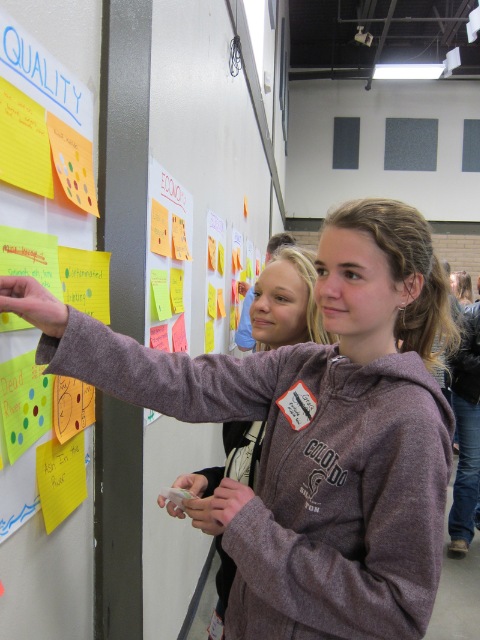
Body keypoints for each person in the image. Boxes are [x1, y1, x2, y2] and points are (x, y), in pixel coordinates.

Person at [0, 197, 459, 640]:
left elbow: (398, 611)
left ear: (409, 288)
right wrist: (63, 322)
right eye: (323, 271)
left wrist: (251, 530)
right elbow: (183, 382)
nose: (328, 290)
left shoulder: (409, 420)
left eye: (352, 274)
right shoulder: (301, 366)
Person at [157, 246, 332, 636]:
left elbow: (303, 504)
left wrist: (239, 520)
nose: (259, 307)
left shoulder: (324, 398)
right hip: (232, 585)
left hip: (283, 606)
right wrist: (212, 480)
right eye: (257, 293)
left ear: (313, 311)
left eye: (281, 298)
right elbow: (253, 465)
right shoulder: (252, 382)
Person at [448, 299, 480, 553]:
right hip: (471, 398)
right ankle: (460, 532)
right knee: (470, 464)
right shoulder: (470, 314)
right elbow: (456, 353)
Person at [235, 231, 296, 352]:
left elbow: (244, 345)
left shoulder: (253, 297)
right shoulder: (300, 293)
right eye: (258, 294)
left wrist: (254, 294)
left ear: (267, 257)